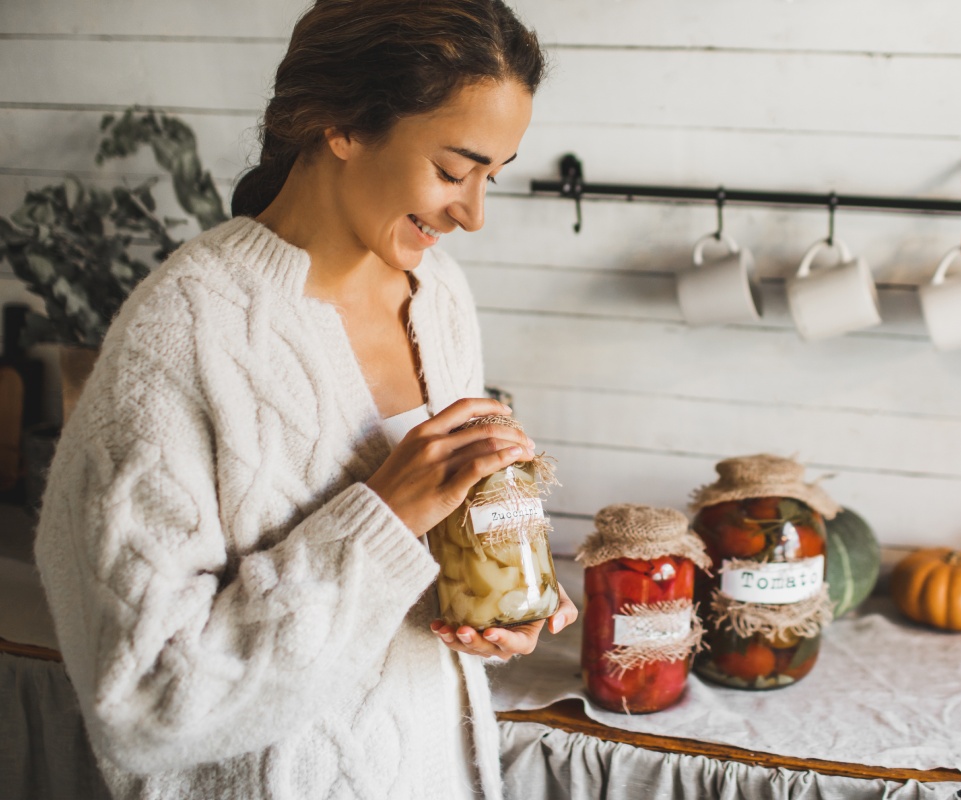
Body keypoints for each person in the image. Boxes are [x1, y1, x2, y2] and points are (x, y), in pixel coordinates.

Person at [33, 1, 576, 798]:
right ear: (342, 125)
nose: (473, 214)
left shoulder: (440, 296)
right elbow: (142, 700)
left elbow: (406, 584)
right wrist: (382, 518)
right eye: (452, 170)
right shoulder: (182, 331)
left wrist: (493, 595)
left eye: (490, 176)